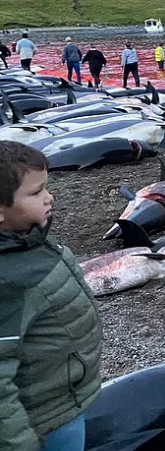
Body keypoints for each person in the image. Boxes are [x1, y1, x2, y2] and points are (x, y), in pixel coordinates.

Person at [0, 141, 103, 451]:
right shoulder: (9, 280)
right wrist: (21, 445)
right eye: (35, 193)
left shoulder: (28, 239)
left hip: (62, 398)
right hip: (44, 421)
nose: (49, 197)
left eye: (46, 187)